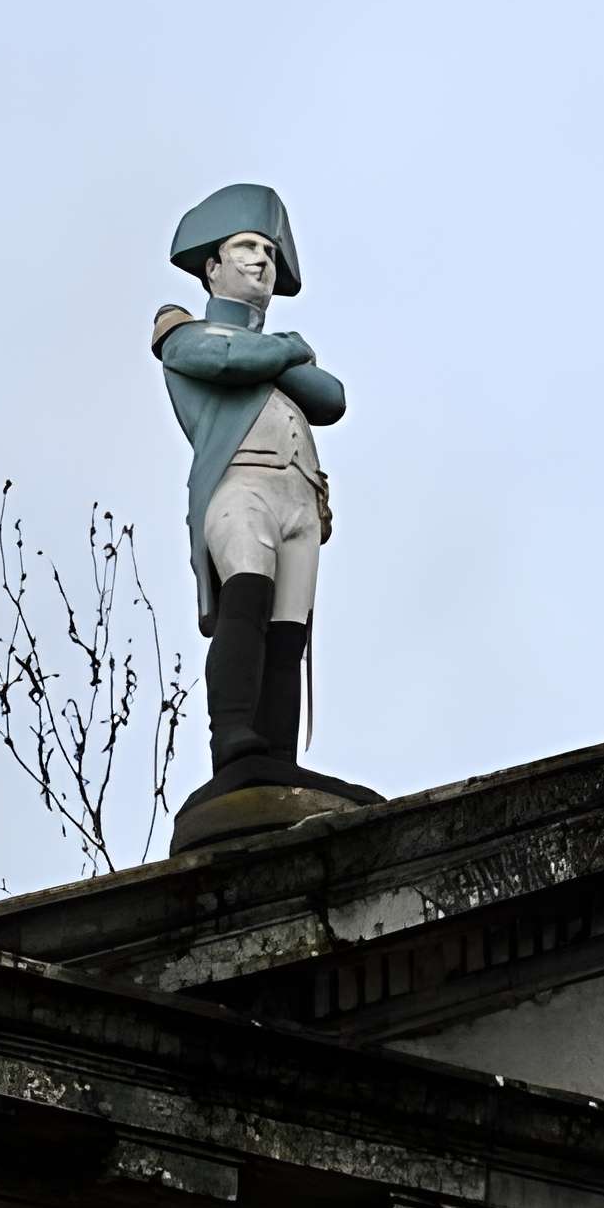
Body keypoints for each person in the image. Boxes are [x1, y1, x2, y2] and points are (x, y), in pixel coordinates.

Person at [154, 182, 368, 812]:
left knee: (289, 631)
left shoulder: (267, 353)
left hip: (300, 498)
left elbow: (329, 398)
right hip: (239, 484)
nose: (260, 260)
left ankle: (277, 758)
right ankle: (233, 739)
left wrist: (272, 355)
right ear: (212, 267)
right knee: (246, 600)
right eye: (245, 247)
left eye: (270, 251)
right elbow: (223, 360)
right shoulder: (182, 334)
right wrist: (286, 350)